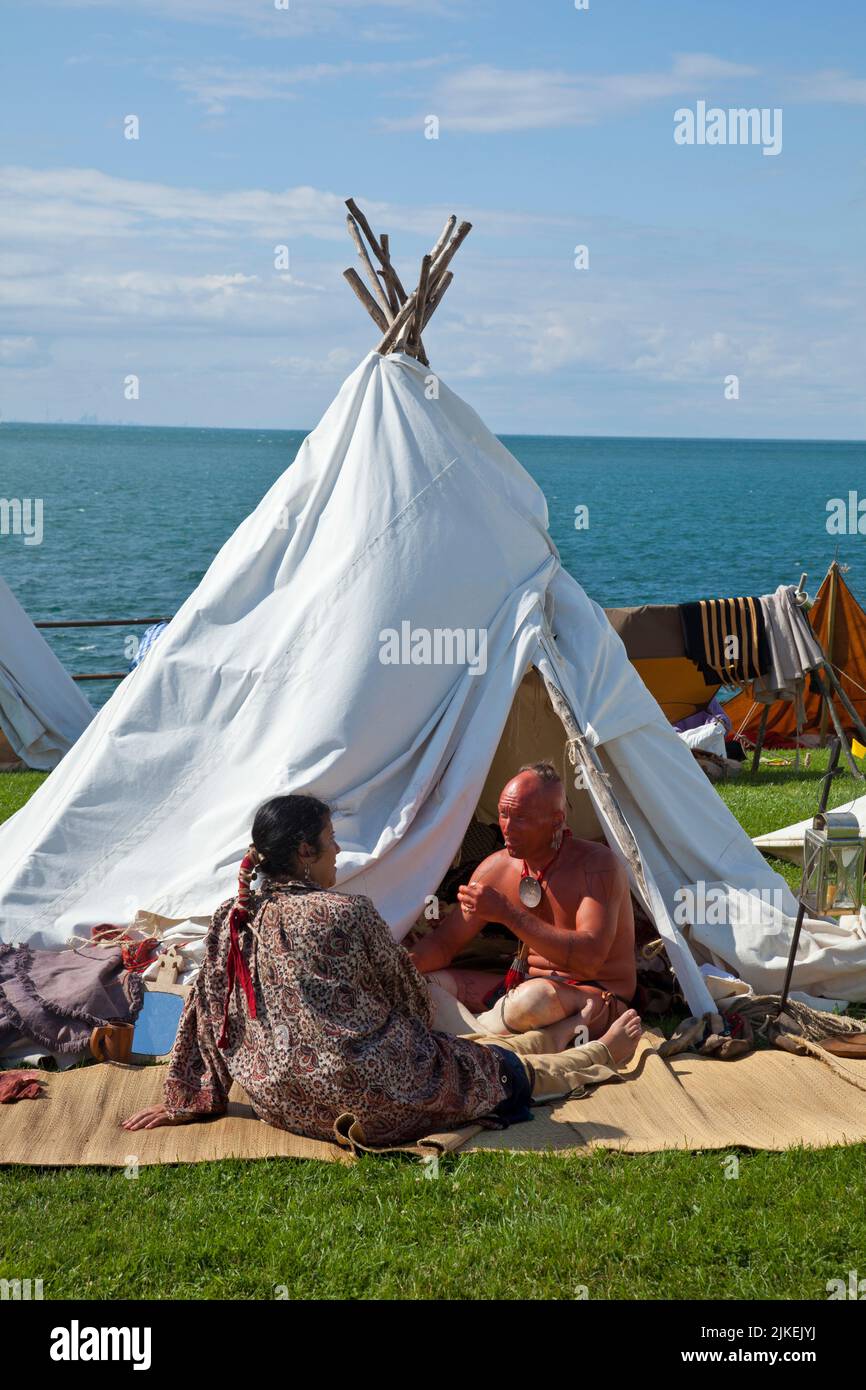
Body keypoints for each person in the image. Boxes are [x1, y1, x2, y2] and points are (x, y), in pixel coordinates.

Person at [122, 794, 641, 1148]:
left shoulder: (230, 921)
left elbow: (204, 1012)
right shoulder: (347, 913)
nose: (339, 848)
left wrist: (190, 1098)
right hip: (376, 1097)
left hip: (284, 1099)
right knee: (497, 1074)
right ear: (305, 852)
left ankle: (547, 1040)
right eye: (330, 838)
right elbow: (413, 1004)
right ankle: (600, 1054)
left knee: (473, 1052)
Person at [408, 762, 636, 1040]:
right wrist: (400, 967)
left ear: (556, 820)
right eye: (504, 814)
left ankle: (474, 1040)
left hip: (589, 993)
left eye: (522, 818)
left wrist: (507, 913)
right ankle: (491, 1042)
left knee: (534, 1000)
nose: (507, 827)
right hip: (519, 991)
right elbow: (444, 944)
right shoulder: (496, 869)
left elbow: (588, 960)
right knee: (420, 986)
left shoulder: (597, 866)